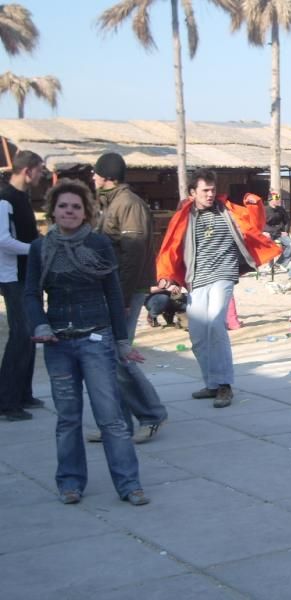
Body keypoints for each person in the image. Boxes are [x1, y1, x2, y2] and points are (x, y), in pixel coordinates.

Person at [24, 179, 150, 506]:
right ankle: (70, 483)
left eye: (76, 207)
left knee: (110, 417)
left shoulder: (98, 244)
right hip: (58, 343)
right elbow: (31, 294)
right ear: (53, 211)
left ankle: (129, 484)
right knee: (67, 418)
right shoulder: (39, 248)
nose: (69, 211)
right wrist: (40, 324)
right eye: (63, 206)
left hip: (96, 340)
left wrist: (122, 341)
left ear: (86, 212)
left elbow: (113, 294)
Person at [156, 169, 280, 408]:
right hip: (197, 279)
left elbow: (254, 223)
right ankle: (211, 383)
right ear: (193, 192)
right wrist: (165, 275)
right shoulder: (184, 216)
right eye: (205, 190)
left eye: (212, 190)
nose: (210, 194)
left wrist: (254, 204)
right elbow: (170, 246)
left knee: (215, 323)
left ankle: (224, 385)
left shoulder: (228, 210)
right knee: (197, 334)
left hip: (224, 274)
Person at [91, 152, 168, 443]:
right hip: (112, 291)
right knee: (109, 357)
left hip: (125, 292)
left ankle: (151, 415)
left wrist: (120, 299)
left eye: (96, 172)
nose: (92, 177)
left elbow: (133, 256)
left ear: (107, 175)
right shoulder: (110, 203)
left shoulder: (128, 204)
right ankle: (117, 423)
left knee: (118, 356)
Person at [0, 150, 44, 421]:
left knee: (30, 335)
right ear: (28, 171)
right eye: (40, 170)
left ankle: (23, 393)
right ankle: (6, 401)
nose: (42, 175)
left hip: (26, 275)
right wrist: (35, 249)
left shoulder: (22, 198)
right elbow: (2, 240)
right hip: (12, 276)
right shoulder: (5, 199)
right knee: (21, 334)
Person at [264, 190, 291, 269]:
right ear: (270, 199)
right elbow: (263, 225)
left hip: (280, 233)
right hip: (268, 233)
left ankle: (280, 263)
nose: (278, 200)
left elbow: (287, 221)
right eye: (276, 198)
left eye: (278, 198)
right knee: (270, 246)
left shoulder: (281, 209)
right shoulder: (264, 210)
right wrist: (276, 232)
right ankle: (270, 266)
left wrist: (285, 231)